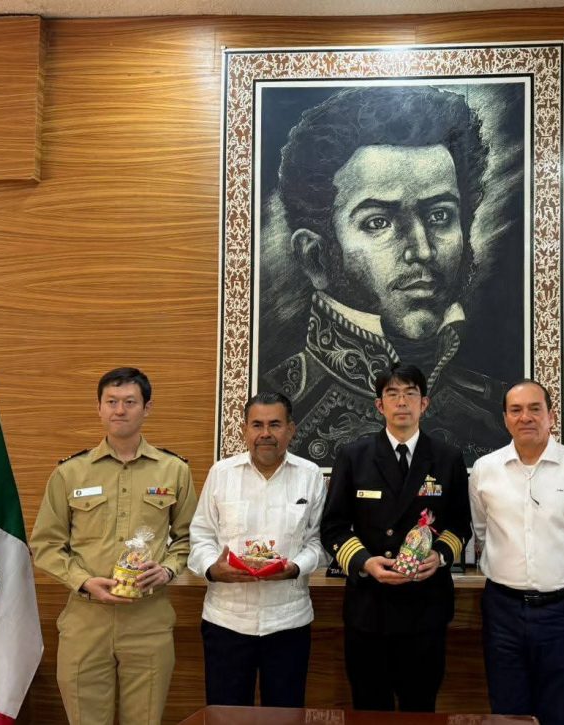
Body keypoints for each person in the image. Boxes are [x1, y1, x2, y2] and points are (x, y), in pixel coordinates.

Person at [260, 85, 512, 467]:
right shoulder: (281, 411)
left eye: (440, 215)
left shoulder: (499, 413)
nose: (422, 250)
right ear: (315, 257)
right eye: (378, 222)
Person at [31, 367, 197, 725]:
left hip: (149, 619)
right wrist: (82, 581)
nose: (120, 410)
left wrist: (167, 570)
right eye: (111, 401)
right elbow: (45, 544)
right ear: (99, 408)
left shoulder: (174, 471)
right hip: (86, 619)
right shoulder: (70, 473)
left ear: (147, 408)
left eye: (130, 402)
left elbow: (188, 539)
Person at [319, 363, 471, 712]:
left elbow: (460, 524)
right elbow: (333, 527)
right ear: (379, 405)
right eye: (392, 394)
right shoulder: (353, 456)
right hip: (369, 608)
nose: (402, 402)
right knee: (370, 708)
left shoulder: (447, 457)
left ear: (424, 403)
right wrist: (364, 563)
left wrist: (440, 556)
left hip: (426, 607)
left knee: (421, 707)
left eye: (410, 394)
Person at [469, 380, 564, 725]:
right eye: (516, 410)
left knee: (559, 712)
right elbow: (481, 530)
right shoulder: (485, 469)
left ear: (551, 416)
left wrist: (560, 572)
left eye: (535, 409)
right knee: (507, 711)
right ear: (505, 418)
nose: (525, 417)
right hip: (502, 610)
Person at [187, 391, 327, 707]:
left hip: (288, 621)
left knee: (285, 715)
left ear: (291, 429)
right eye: (257, 425)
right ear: (244, 430)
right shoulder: (221, 473)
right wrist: (213, 569)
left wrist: (295, 568)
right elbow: (201, 535)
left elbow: (319, 541)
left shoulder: (310, 475)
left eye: (275, 424)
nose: (266, 433)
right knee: (226, 716)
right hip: (227, 621)